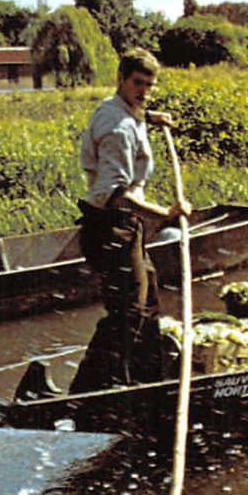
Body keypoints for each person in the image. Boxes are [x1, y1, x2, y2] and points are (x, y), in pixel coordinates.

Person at [66, 48, 194, 395]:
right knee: (129, 312)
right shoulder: (119, 128)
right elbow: (115, 194)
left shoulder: (124, 111)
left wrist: (149, 116)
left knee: (148, 302)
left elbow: (130, 114)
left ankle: (142, 381)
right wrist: (166, 214)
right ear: (121, 78)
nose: (144, 92)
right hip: (112, 225)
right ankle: (86, 392)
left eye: (150, 86)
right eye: (138, 83)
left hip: (126, 226)